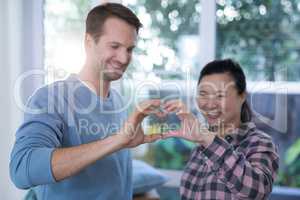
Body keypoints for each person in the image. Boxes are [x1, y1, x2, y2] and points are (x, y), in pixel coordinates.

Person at [9, 3, 163, 200]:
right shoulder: (51, 98)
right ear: (88, 42)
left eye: (130, 49)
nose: (124, 58)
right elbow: (22, 169)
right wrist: (117, 140)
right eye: (114, 46)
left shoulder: (117, 101)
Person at [162, 59, 279, 199]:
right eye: (203, 94)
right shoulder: (200, 147)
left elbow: (256, 191)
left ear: (242, 96)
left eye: (220, 95)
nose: (210, 104)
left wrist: (206, 139)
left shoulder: (259, 143)